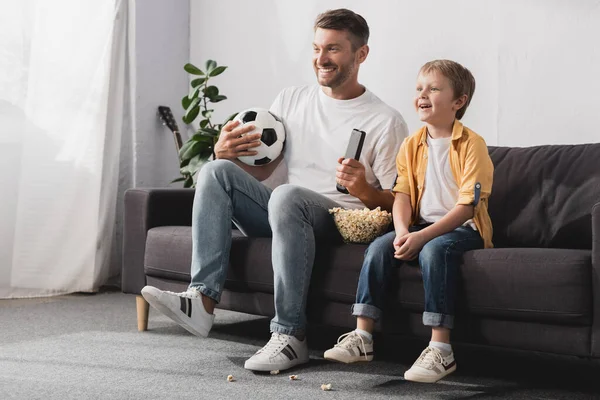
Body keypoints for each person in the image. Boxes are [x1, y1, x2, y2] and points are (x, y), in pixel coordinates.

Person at [140, 8, 408, 373]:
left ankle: (290, 335)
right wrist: (225, 152)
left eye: (333, 49)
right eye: (316, 48)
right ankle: (201, 302)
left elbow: (399, 202)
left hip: (338, 223)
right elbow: (264, 168)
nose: (320, 59)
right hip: (283, 214)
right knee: (216, 171)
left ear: (361, 54)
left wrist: (363, 190)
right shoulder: (291, 99)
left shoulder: (384, 120)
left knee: (287, 195)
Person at [323, 59, 494, 383]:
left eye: (434, 88)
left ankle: (441, 350)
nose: (422, 95)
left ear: (459, 101)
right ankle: (363, 337)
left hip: (462, 229)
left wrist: (422, 238)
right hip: (418, 226)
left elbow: (467, 208)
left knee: (433, 251)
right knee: (378, 248)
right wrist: (403, 232)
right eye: (419, 89)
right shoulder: (411, 144)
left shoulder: (473, 145)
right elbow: (401, 196)